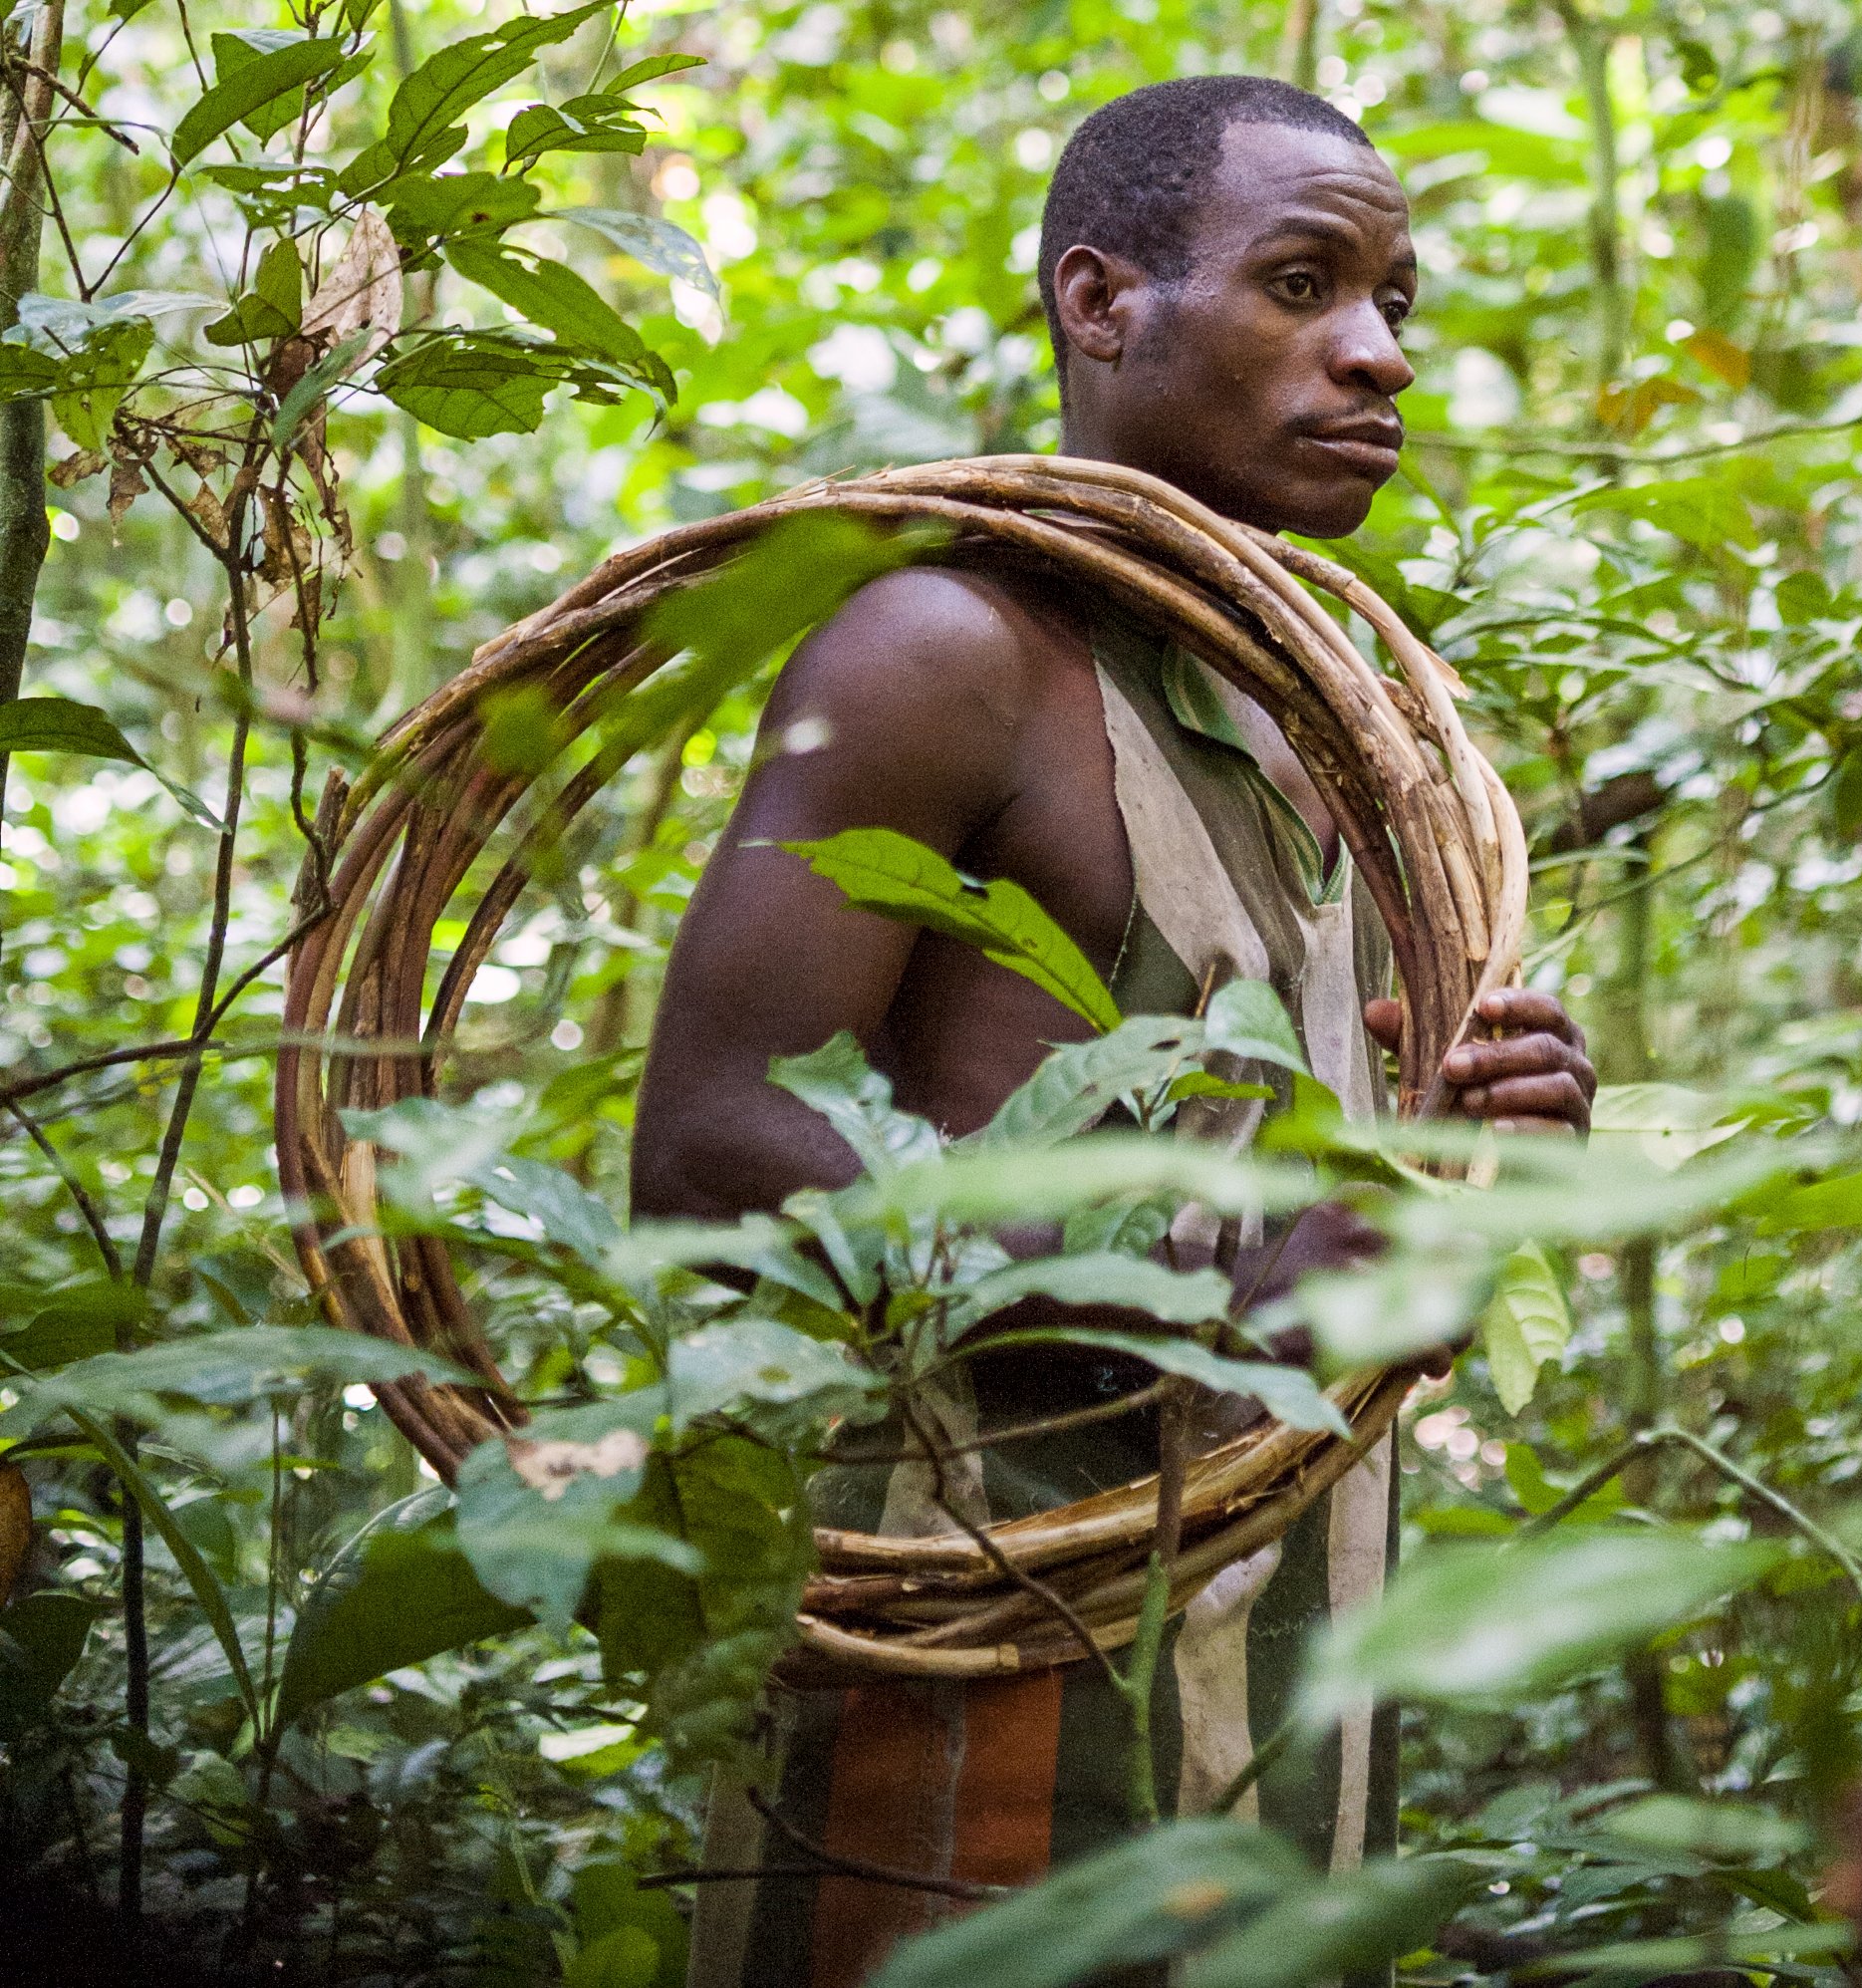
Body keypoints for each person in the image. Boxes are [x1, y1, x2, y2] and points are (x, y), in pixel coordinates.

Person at [630, 75, 1595, 1988]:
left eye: (1398, 304)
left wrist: (1477, 1160)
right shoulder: (944, 655)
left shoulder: (1335, 747)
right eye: (1304, 284)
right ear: (1100, 303)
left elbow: (1339, 1253)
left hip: (1298, 1648)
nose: (1379, 355)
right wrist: (1207, 1275)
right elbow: (713, 1152)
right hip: (976, 1643)